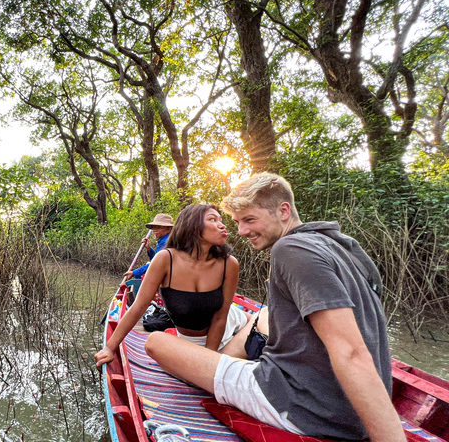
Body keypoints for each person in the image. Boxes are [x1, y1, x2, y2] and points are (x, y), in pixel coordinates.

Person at [144, 173, 404, 442]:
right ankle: (220, 362)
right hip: (339, 406)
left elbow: (350, 352)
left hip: (300, 405)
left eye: (250, 220)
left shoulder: (290, 248)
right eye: (237, 222)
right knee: (263, 314)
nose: (242, 232)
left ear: (283, 211)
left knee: (157, 341)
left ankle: (215, 366)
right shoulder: (345, 247)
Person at [96, 204, 248, 366]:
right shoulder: (165, 259)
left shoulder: (229, 264)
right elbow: (138, 306)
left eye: (221, 220)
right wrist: (109, 348)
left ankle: (249, 320)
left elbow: (220, 317)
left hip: (224, 333)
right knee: (153, 341)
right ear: (193, 227)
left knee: (259, 322)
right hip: (187, 340)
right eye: (213, 219)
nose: (222, 225)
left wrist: (208, 359)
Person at [123, 213, 174, 281]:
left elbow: (156, 264)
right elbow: (156, 258)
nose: (155, 230)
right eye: (154, 227)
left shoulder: (167, 242)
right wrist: (148, 248)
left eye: (159, 227)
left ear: (168, 229)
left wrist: (134, 273)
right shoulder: (162, 240)